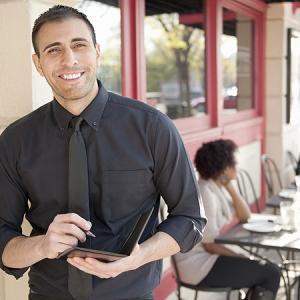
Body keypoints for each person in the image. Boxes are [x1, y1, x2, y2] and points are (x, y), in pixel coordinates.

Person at [0, 5, 206, 300]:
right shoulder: (15, 140)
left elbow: (190, 218)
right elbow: (3, 245)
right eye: (53, 50)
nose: (69, 60)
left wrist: (139, 256)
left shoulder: (152, 128)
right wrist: (43, 245)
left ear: (97, 52)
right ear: (38, 63)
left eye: (78, 45)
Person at [175, 139, 281, 300]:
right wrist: (242, 258)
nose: (237, 166)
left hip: (205, 260)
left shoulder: (212, 187)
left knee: (266, 271)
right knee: (270, 274)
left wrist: (229, 185)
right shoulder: (206, 193)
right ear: (224, 167)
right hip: (198, 266)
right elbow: (210, 245)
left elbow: (245, 215)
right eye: (234, 162)